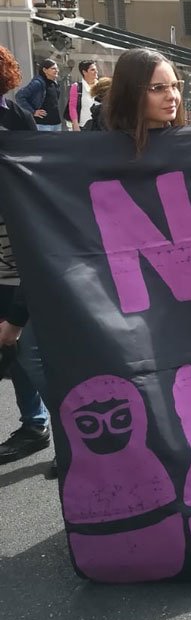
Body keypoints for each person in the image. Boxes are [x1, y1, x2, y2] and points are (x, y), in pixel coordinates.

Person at [0, 46, 52, 462]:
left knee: (27, 351)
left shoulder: (14, 116)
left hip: (19, 255)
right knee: (15, 350)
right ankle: (35, 423)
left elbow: (37, 176)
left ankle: (47, 426)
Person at [106, 48, 191, 150]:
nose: (172, 96)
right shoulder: (102, 152)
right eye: (158, 88)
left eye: (174, 86)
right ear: (130, 92)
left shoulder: (189, 142)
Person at [16, 57, 62, 131]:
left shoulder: (54, 83)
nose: (57, 70)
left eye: (57, 68)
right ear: (45, 70)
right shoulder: (37, 83)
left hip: (56, 124)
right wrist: (33, 111)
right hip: (43, 125)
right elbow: (19, 96)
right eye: (53, 68)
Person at [67, 59, 100, 129]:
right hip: (83, 126)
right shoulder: (76, 87)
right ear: (84, 72)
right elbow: (72, 107)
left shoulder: (101, 86)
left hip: (99, 127)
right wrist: (75, 124)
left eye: (96, 69)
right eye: (92, 70)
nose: (96, 72)